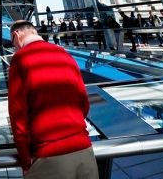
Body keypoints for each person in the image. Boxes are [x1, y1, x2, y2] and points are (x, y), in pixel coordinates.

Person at [7, 20, 97, 179]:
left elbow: (18, 114)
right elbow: (83, 102)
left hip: (49, 154)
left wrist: (25, 159)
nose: (14, 46)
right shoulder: (64, 53)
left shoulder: (20, 58)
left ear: (16, 35)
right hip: (84, 150)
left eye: (13, 42)